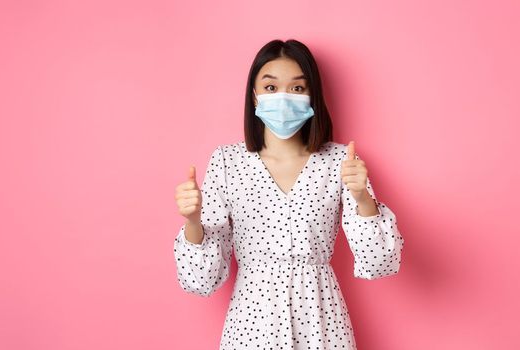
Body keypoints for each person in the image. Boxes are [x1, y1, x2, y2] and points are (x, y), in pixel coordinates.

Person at [172, 39, 404, 350]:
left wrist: (363, 199)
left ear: (312, 96)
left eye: (297, 88)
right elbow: (200, 281)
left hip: (322, 321)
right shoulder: (227, 161)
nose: (283, 97)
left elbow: (380, 263)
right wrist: (192, 222)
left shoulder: (340, 162)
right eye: (270, 88)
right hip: (251, 326)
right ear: (254, 96)